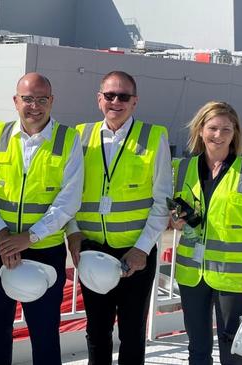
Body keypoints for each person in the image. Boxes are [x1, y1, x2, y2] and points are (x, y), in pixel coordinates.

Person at [0, 72, 84, 364]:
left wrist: (29, 237)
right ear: (15, 101)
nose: (34, 106)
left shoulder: (68, 139)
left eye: (42, 99)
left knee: (45, 333)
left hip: (44, 251)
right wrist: (3, 235)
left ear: (52, 101)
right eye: (28, 99)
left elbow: (69, 200)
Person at [67, 70, 172, 364]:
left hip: (134, 252)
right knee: (97, 329)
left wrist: (142, 249)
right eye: (110, 95)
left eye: (123, 96)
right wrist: (73, 232)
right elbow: (69, 192)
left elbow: (161, 200)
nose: (116, 101)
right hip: (92, 250)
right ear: (99, 99)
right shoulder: (80, 135)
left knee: (132, 331)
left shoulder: (154, 137)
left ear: (135, 102)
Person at [170, 101, 242, 365]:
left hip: (233, 278)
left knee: (233, 351)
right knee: (197, 348)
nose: (218, 135)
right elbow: (176, 218)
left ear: (235, 133)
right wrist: (176, 220)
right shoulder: (183, 168)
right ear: (200, 130)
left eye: (226, 129)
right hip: (192, 273)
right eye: (212, 128)